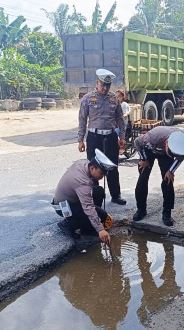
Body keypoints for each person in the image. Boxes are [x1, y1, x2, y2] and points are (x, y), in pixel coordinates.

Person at [77, 68, 127, 205]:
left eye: (108, 85)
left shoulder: (114, 99)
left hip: (110, 137)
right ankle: (95, 197)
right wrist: (80, 140)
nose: (105, 88)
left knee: (113, 167)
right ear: (97, 82)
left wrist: (122, 137)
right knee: (93, 167)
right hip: (94, 137)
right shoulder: (87, 99)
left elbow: (120, 119)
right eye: (103, 84)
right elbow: (82, 120)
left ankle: (116, 195)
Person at [52, 149, 117, 245]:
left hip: (73, 199)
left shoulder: (84, 163)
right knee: (101, 215)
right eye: (101, 173)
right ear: (92, 168)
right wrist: (100, 229)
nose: (102, 177)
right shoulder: (82, 182)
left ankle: (88, 226)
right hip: (63, 207)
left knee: (98, 191)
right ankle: (68, 224)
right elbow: (88, 207)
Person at [133, 126, 184, 226]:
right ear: (167, 144)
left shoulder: (183, 146)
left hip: (165, 155)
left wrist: (170, 171)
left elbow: (179, 159)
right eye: (172, 153)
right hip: (150, 149)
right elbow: (137, 142)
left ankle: (167, 213)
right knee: (142, 177)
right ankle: (141, 210)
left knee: (168, 180)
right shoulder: (152, 137)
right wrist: (144, 159)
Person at [115, 89, 131, 154]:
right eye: (116, 96)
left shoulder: (124, 104)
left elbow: (127, 112)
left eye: (119, 96)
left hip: (122, 124)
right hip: (116, 124)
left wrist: (122, 116)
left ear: (122, 96)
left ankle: (121, 147)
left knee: (115, 133)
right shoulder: (115, 104)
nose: (117, 98)